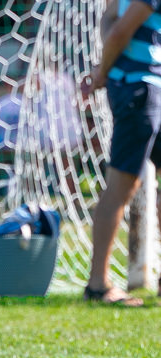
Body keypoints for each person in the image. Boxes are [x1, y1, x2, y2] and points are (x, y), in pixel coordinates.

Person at [81, 0, 159, 307]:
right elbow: (117, 33)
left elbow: (109, 19)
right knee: (122, 186)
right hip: (139, 89)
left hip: (147, 86)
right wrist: (103, 70)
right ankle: (98, 284)